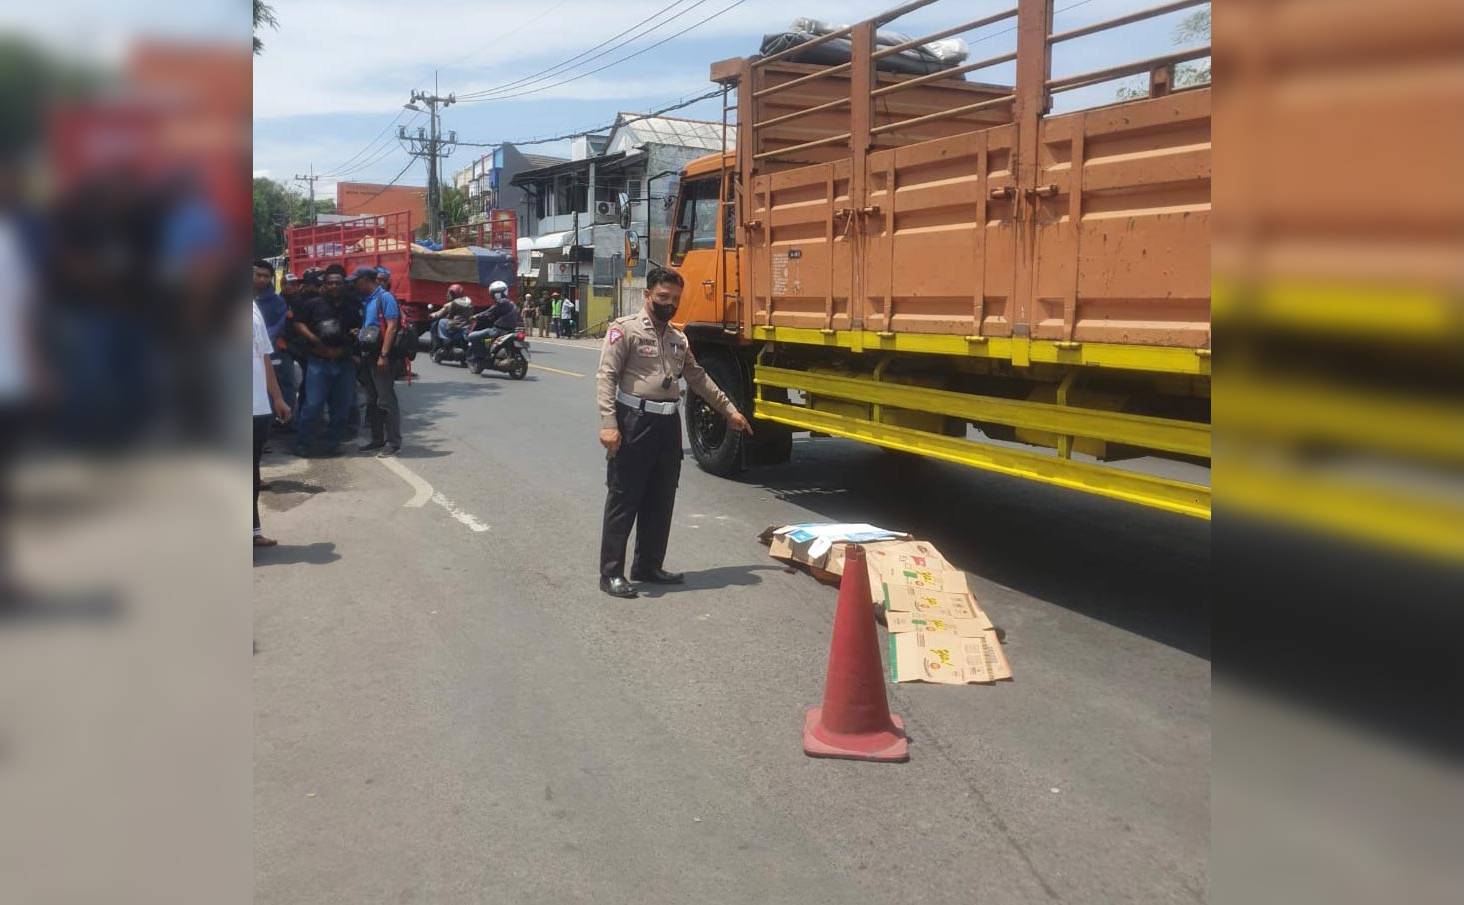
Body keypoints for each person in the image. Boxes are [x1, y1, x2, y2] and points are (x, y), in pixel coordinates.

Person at [595, 266, 752, 598]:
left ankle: (648, 566)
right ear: (647, 295)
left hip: (667, 426)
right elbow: (606, 377)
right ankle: (610, 574)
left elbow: (698, 378)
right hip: (634, 422)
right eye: (663, 297)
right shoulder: (625, 330)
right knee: (625, 497)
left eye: (676, 299)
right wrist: (609, 424)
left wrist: (730, 410)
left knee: (661, 497)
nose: (670, 304)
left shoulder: (678, 338)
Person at [291, 264, 361, 456]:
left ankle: (332, 443)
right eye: (330, 283)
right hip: (318, 362)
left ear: (344, 284)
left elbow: (361, 328)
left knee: (341, 409)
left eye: (338, 283)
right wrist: (314, 340)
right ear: (325, 284)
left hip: (344, 362)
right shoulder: (313, 304)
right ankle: (303, 443)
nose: (334, 286)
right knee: (313, 405)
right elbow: (297, 322)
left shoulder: (353, 305)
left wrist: (355, 337)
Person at [253, 296, 292, 547]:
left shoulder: (252, 307)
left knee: (250, 473)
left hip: (257, 407)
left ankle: (252, 532)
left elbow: (264, 355)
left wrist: (277, 397)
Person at [353, 267, 403, 456]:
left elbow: (392, 327)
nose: (354, 285)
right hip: (369, 355)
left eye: (356, 281)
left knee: (386, 400)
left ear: (366, 280)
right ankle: (377, 439)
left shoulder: (385, 298)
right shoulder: (368, 300)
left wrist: (384, 355)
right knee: (373, 400)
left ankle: (393, 442)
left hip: (381, 356)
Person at [466, 280, 518, 353]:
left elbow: (488, 313)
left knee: (472, 336)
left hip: (498, 331)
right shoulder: (511, 303)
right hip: (510, 330)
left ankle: (481, 356)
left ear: (494, 294)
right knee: (488, 339)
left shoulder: (501, 303)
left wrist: (475, 317)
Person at [428, 283, 473, 353]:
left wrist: (431, 315)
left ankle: (443, 342)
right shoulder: (468, 301)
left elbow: (438, 314)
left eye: (449, 293)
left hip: (456, 325)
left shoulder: (450, 304)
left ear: (452, 294)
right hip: (468, 325)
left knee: (441, 321)